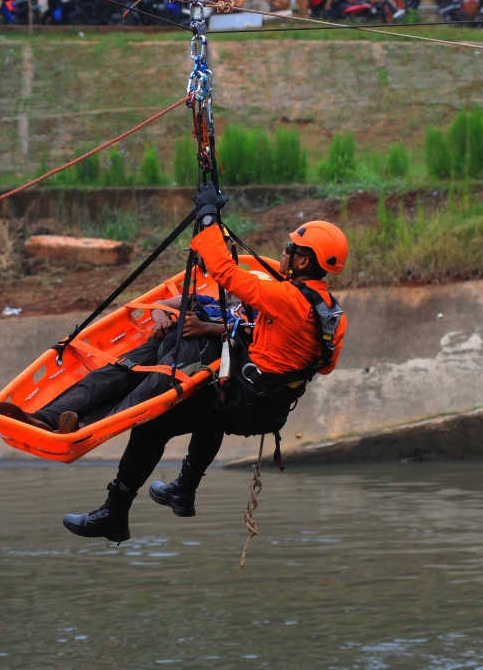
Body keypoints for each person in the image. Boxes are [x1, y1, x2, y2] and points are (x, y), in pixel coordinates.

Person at [55, 184, 349, 544]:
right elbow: (324, 366)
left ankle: (115, 512)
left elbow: (226, 272)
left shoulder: (286, 298)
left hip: (244, 400)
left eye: (290, 249)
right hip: (267, 409)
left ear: (303, 261)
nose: (284, 254)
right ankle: (183, 490)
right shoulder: (331, 312)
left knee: (155, 426)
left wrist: (208, 219)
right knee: (209, 408)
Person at [0, 290, 251, 434]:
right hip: (167, 338)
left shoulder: (255, 311)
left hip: (200, 348)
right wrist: (160, 320)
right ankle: (44, 417)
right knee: (111, 373)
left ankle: (79, 430)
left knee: (150, 387)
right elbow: (159, 304)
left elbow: (252, 333)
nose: (233, 293)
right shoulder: (208, 298)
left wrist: (205, 327)